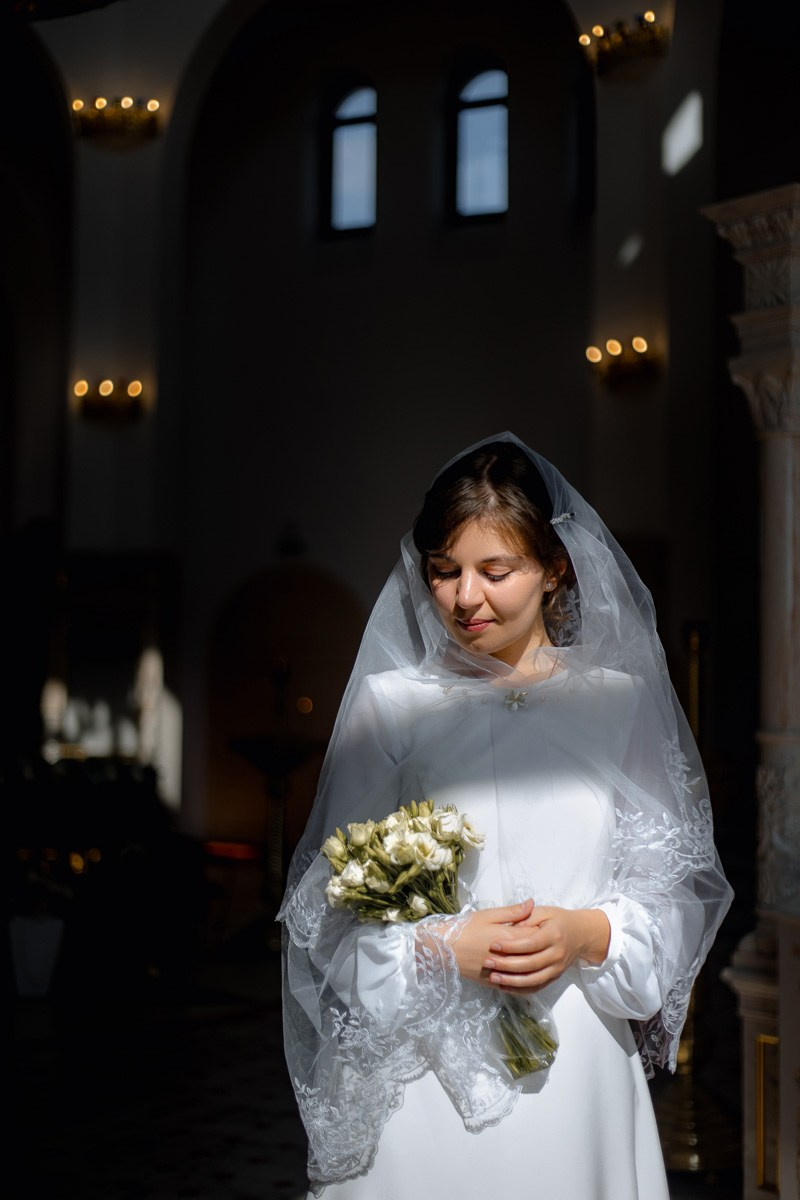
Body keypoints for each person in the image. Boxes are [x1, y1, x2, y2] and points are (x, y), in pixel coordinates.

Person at [279, 433, 733, 1199]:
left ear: (555, 569)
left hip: (575, 1072)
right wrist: (438, 948)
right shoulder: (391, 708)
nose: (465, 598)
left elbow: (673, 902)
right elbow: (326, 924)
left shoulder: (618, 704)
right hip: (425, 1089)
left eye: (496, 572)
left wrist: (586, 933)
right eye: (443, 570)